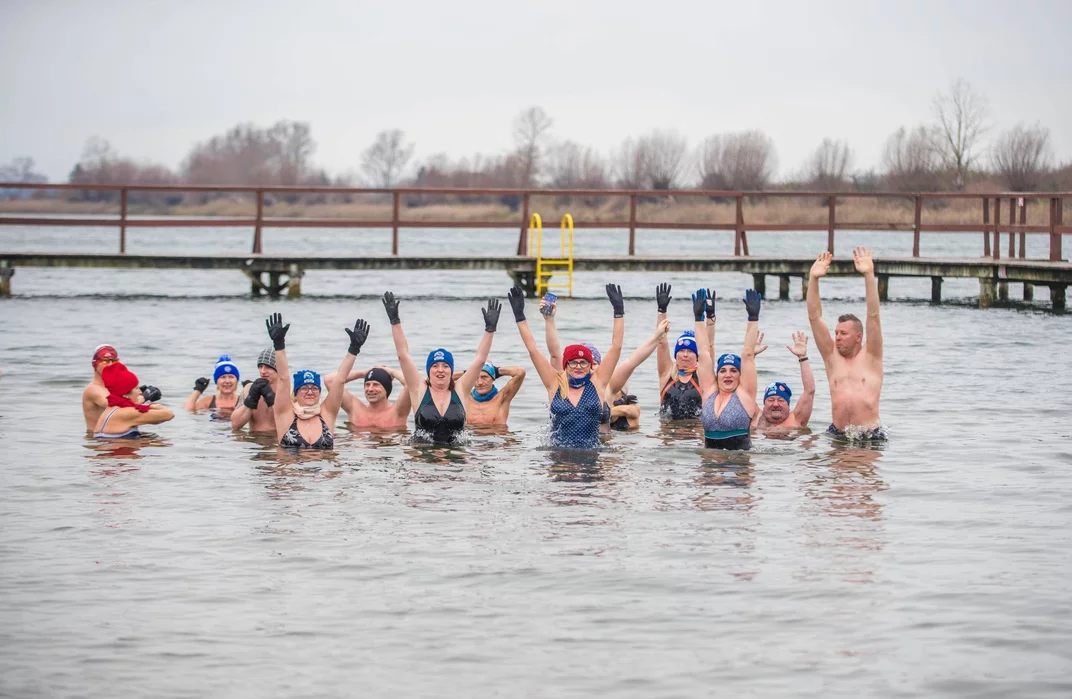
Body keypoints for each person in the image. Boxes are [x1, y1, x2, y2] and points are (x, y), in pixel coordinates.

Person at [508, 284, 624, 449]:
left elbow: (616, 347)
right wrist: (519, 316)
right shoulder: (555, 383)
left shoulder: (598, 383)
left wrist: (618, 312)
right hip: (559, 459)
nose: (578, 366)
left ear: (590, 365)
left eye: (583, 362)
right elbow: (533, 350)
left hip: (590, 458)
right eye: (573, 362)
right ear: (566, 365)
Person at [383, 291, 500, 444]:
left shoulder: (461, 389)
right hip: (425, 460)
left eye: (445, 366)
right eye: (435, 366)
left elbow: (479, 360)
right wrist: (395, 321)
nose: (440, 370)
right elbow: (403, 356)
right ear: (428, 371)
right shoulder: (419, 389)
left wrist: (490, 329)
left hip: (455, 461)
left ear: (451, 371)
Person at [807, 247, 885, 442]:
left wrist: (869, 274)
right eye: (836, 333)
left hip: (869, 435)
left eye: (843, 333)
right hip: (838, 434)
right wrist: (813, 279)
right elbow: (814, 317)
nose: (838, 337)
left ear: (858, 337)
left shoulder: (872, 356)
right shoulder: (831, 357)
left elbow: (873, 316)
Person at [265, 312, 367, 450]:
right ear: (296, 392)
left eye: (314, 388)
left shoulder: (327, 413)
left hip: (324, 469)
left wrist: (354, 349)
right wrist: (279, 344)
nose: (310, 392)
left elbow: (340, 380)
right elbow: (283, 378)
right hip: (292, 470)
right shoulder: (285, 413)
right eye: (304, 388)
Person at [695, 288, 761, 450]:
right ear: (717, 375)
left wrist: (753, 318)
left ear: (740, 375)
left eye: (734, 370)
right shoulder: (709, 392)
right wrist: (698, 318)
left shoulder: (745, 394)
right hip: (709, 469)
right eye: (723, 370)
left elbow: (747, 355)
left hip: (738, 468)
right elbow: (703, 353)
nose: (728, 374)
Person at [654, 283, 715, 419]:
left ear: (697, 356)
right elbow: (661, 341)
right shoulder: (667, 374)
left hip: (694, 436)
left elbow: (708, 347)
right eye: (681, 351)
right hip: (669, 436)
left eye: (690, 351)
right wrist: (661, 311)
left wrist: (710, 319)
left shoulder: (703, 377)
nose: (685, 355)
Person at [83, 344, 160, 432]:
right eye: (105, 361)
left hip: (118, 436)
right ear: (95, 364)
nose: (110, 365)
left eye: (114, 361)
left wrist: (135, 393)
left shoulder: (115, 386)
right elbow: (118, 407)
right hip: (100, 440)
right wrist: (145, 396)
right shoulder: (93, 389)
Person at [92, 362, 174, 438]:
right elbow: (168, 414)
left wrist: (143, 400)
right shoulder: (126, 413)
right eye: (136, 388)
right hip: (116, 449)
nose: (139, 392)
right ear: (125, 394)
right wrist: (151, 404)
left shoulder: (112, 408)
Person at [752, 331, 816, 430]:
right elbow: (744, 389)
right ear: (764, 403)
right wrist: (750, 356)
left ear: (788, 405)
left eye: (781, 400)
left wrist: (802, 357)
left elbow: (810, 391)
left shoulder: (796, 419)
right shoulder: (755, 417)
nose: (776, 404)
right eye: (771, 400)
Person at [325, 365, 412, 429]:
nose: (370, 389)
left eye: (376, 385)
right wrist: (362, 373)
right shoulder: (354, 409)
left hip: (388, 450)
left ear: (386, 388)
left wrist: (391, 372)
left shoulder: (397, 411)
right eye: (367, 385)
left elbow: (411, 383)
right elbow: (329, 380)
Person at [457, 362, 527, 427]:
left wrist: (497, 371)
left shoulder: (502, 398)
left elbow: (520, 372)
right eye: (475, 378)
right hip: (472, 438)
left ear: (493, 378)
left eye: (484, 377)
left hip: (496, 439)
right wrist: (469, 373)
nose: (480, 382)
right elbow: (447, 378)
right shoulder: (465, 398)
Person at [230, 348, 280, 433]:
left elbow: (289, 424)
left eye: (268, 367)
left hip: (277, 439)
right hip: (254, 440)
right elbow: (235, 425)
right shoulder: (249, 388)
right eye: (260, 367)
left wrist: (270, 397)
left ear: (279, 369)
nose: (263, 371)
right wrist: (251, 399)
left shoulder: (289, 391)